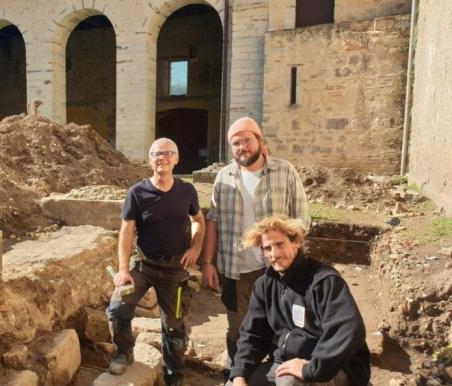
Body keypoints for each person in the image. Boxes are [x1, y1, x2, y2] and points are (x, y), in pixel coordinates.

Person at [201, 117, 310, 370]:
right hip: (236, 270)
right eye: (236, 143)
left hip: (279, 269)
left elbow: (302, 218)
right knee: (238, 328)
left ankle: (274, 373)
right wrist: (207, 262)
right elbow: (213, 223)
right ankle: (237, 373)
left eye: (247, 140)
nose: (242, 147)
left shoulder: (285, 171)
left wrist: (288, 253)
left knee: (281, 326)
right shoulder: (223, 178)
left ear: (259, 141)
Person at [106, 137, 206, 386]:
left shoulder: (187, 190)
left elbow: (198, 220)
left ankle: (173, 374)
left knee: (174, 327)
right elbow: (126, 231)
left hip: (175, 269)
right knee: (118, 308)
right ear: (150, 160)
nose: (162, 157)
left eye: (167, 153)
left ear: (176, 159)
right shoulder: (137, 192)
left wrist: (196, 247)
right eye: (156, 154)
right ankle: (124, 352)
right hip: (144, 264)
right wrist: (122, 269)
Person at [227, 215, 370, 386]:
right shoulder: (265, 285)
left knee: (289, 382)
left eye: (280, 244)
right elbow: (253, 335)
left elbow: (348, 329)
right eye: (267, 248)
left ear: (296, 242)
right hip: (285, 363)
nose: (275, 254)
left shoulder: (324, 281)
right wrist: (239, 374)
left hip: (330, 367)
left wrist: (311, 368)